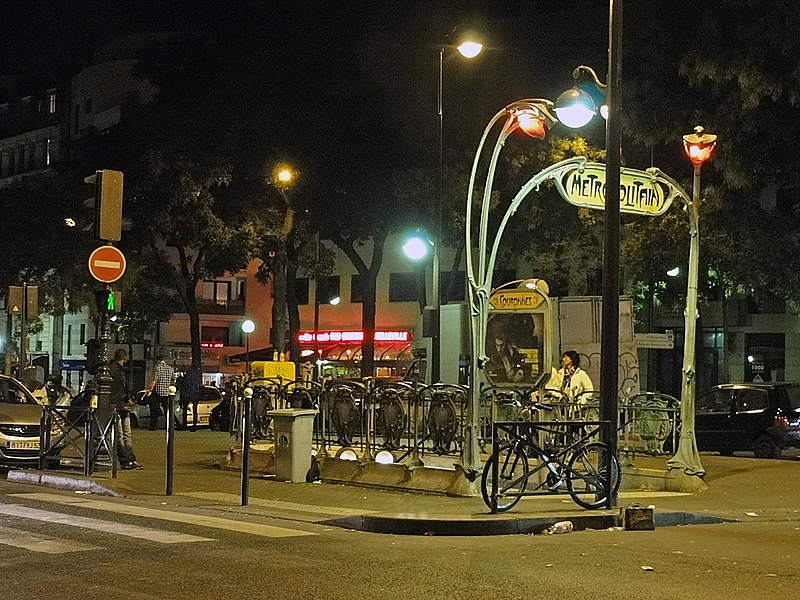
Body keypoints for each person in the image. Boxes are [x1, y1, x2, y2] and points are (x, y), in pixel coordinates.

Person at [109, 348, 142, 470]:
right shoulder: (117, 371)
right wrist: (124, 402)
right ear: (124, 358)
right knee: (123, 434)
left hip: (120, 405)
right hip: (119, 407)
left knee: (123, 434)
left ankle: (129, 459)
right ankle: (126, 460)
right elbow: (117, 390)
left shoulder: (114, 369)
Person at [145, 350, 175, 430]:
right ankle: (169, 425)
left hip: (158, 391)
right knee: (167, 410)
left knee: (153, 406)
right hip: (167, 392)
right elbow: (173, 380)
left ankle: (153, 424)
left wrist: (150, 390)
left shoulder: (157, 368)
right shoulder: (170, 369)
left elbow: (154, 380)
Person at [179, 365, 202, 430]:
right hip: (194, 394)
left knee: (185, 410)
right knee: (195, 410)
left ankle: (185, 424)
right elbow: (198, 386)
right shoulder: (196, 377)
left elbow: (182, 386)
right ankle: (194, 425)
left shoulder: (186, 376)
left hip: (187, 394)